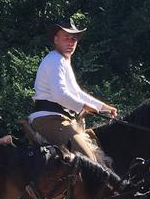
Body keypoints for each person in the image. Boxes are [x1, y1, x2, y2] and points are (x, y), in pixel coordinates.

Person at [28, 18, 117, 162]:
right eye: (66, 38)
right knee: (89, 160)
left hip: (60, 118)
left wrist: (103, 107)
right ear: (56, 39)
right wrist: (84, 106)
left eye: (73, 39)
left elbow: (77, 93)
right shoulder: (55, 60)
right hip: (49, 118)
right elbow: (59, 94)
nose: (70, 42)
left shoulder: (61, 61)